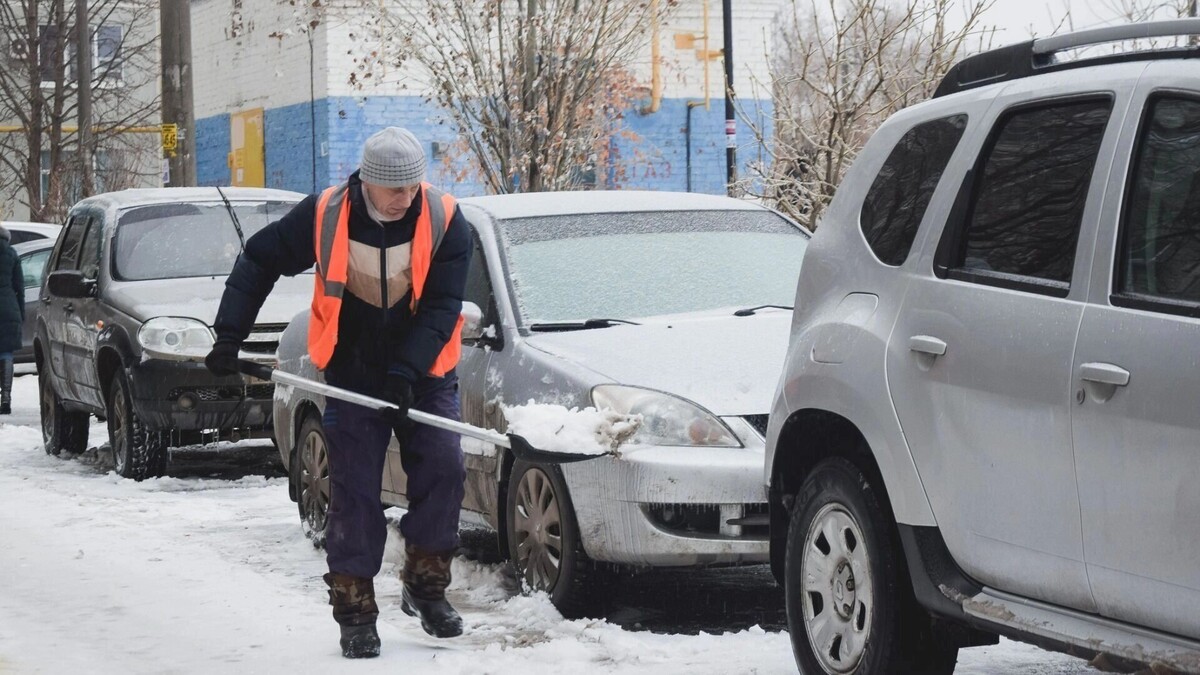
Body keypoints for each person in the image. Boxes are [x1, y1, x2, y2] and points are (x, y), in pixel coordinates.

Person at [204, 127, 472, 658]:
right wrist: (229, 335)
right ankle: (354, 611)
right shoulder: (325, 214)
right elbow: (259, 260)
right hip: (352, 370)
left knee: (445, 466)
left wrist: (406, 372)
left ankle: (426, 586)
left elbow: (443, 307)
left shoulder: (445, 218)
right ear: (369, 183)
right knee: (353, 489)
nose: (408, 197)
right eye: (397, 189)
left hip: (426, 372)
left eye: (414, 186)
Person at [0, 224, 24, 415]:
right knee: (6, 353)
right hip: (9, 307)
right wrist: (21, 313)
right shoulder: (12, 254)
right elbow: (20, 288)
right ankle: (6, 398)